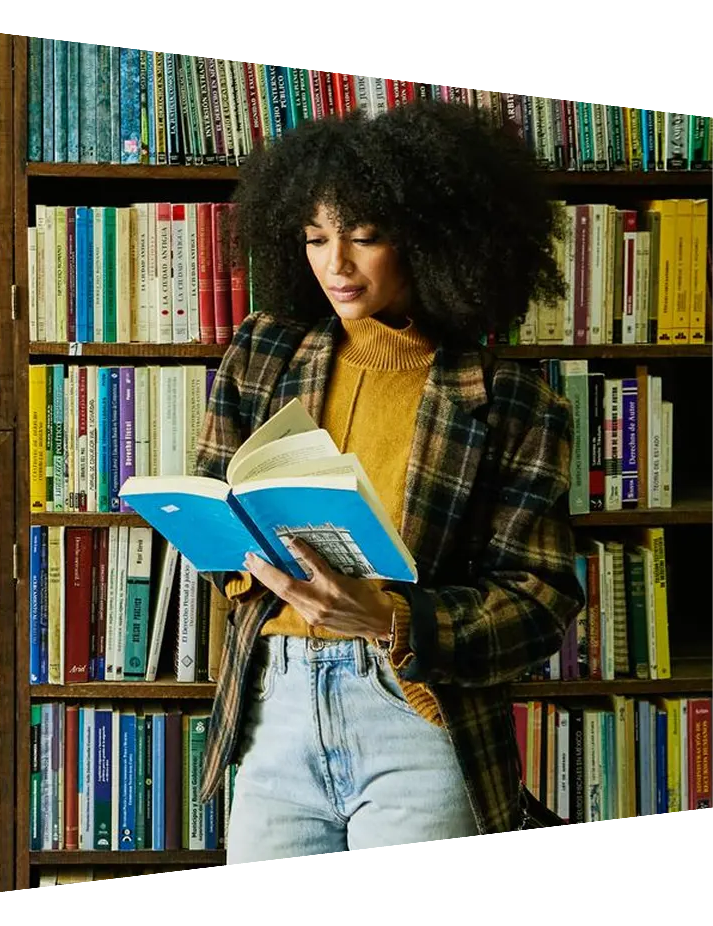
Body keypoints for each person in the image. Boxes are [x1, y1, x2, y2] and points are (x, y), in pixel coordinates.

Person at [193, 100, 585, 862]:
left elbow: (540, 602)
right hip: (276, 711)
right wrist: (243, 562)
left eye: (364, 236)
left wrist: (394, 618)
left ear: (430, 239)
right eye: (315, 237)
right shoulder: (262, 354)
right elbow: (217, 503)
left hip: (416, 719)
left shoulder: (514, 402)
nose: (335, 264)